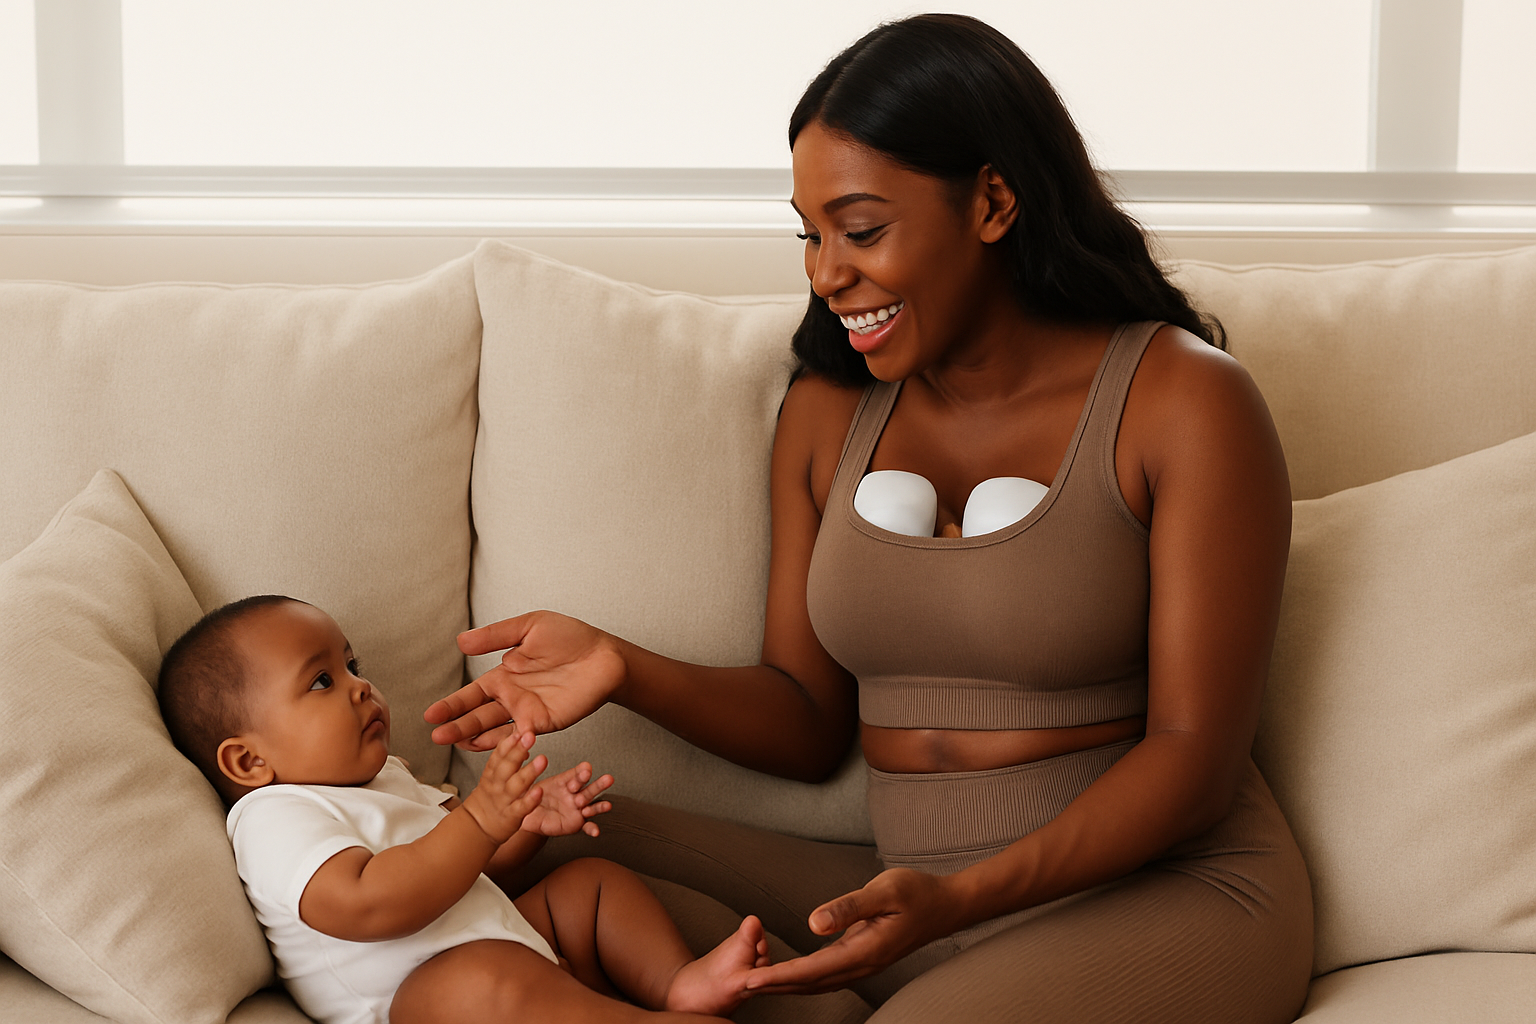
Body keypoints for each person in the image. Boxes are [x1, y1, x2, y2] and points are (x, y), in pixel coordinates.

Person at [425, 13, 1313, 1024]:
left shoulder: (1182, 400)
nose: (824, 273)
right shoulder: (829, 409)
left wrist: (958, 899)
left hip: (1166, 897)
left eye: (861, 229)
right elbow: (807, 721)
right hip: (909, 893)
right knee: (542, 836)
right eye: (809, 234)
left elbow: (1194, 761)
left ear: (991, 200)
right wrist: (623, 665)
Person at [156, 594, 774, 1024]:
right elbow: (364, 903)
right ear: (246, 762)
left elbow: (478, 872)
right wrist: (479, 820)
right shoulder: (274, 814)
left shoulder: (389, 779)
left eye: (351, 665)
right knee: (468, 982)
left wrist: (523, 823)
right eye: (322, 681)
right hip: (426, 1001)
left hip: (513, 956)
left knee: (588, 885)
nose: (359, 685)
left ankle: (674, 984)